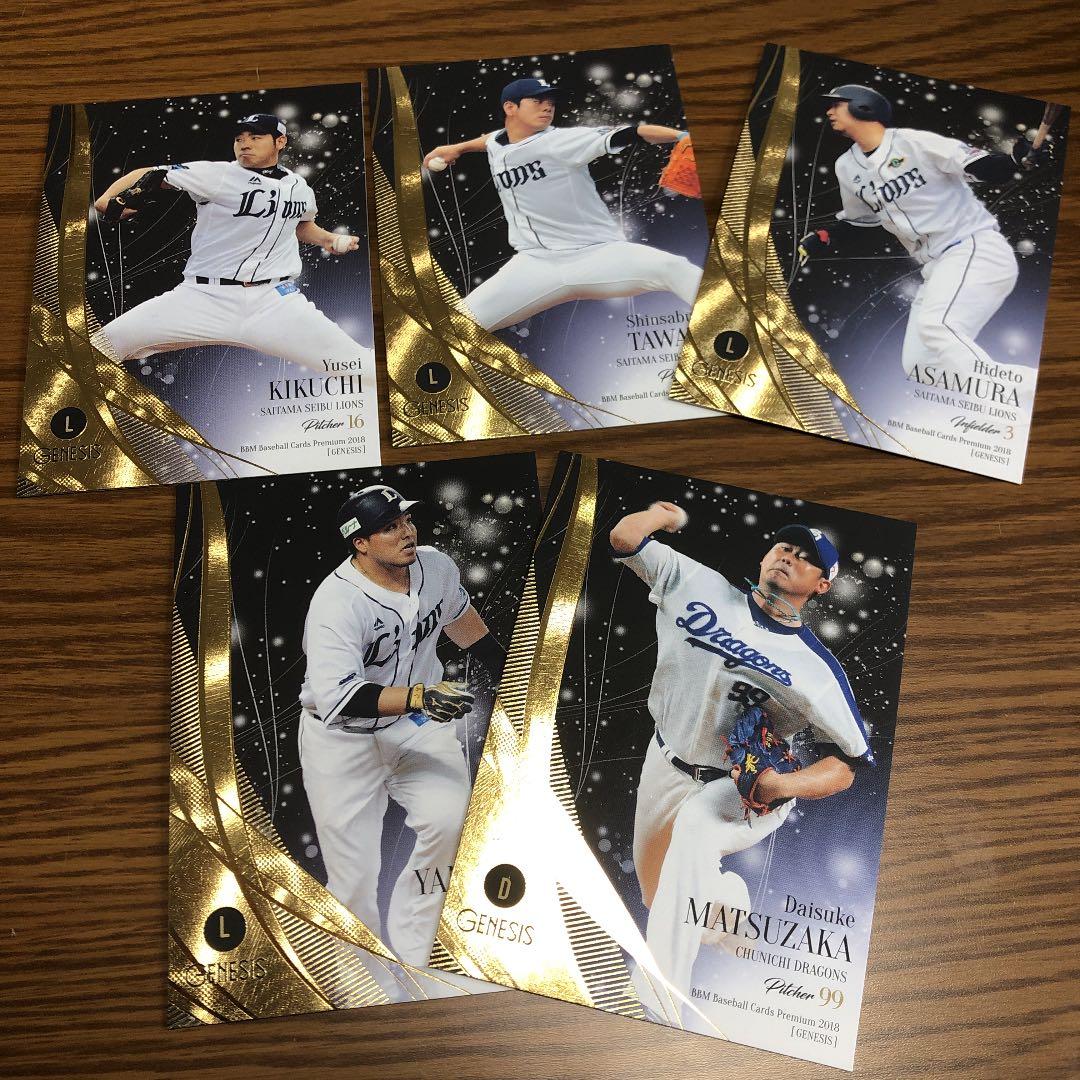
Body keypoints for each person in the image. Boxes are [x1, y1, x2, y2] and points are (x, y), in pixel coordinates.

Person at [608, 502, 873, 1015]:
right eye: (784, 547)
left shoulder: (817, 671)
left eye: (806, 558)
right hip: (665, 760)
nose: (789, 557)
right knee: (658, 895)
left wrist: (781, 786)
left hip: (740, 784)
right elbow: (624, 539)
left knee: (694, 832)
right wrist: (662, 515)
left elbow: (850, 764)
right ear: (765, 556)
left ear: (821, 585)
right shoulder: (697, 583)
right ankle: (726, 905)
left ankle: (660, 1004)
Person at [298, 484, 504, 966]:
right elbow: (341, 698)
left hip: (416, 726)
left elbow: (460, 620)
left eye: (407, 520)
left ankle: (418, 951)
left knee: (453, 823)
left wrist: (510, 669)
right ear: (360, 543)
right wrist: (420, 696)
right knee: (353, 880)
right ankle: (364, 981)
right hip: (341, 740)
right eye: (389, 527)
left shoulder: (435, 566)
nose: (407, 532)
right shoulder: (336, 604)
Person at [798, 84, 1048, 383]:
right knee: (921, 366)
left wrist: (1014, 161)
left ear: (862, 106)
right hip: (935, 267)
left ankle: (1027, 393)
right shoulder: (846, 166)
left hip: (972, 248)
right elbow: (860, 220)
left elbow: (978, 166)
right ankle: (1021, 394)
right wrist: (825, 236)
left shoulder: (913, 142)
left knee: (937, 327)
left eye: (837, 104)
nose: (829, 110)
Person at [91, 113, 368, 373]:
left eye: (256, 137)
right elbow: (152, 173)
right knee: (98, 348)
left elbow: (299, 224)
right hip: (202, 297)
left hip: (274, 302)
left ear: (280, 141)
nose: (245, 144)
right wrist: (106, 199)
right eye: (239, 138)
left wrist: (329, 239)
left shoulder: (299, 186)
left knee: (358, 366)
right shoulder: (217, 174)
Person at [421, 77, 702, 332]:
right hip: (534, 265)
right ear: (510, 108)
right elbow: (492, 140)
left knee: (675, 269)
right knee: (453, 328)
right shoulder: (498, 142)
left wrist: (679, 136)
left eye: (551, 102)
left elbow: (634, 133)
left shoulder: (563, 140)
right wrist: (457, 148)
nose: (548, 107)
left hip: (597, 256)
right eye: (537, 100)